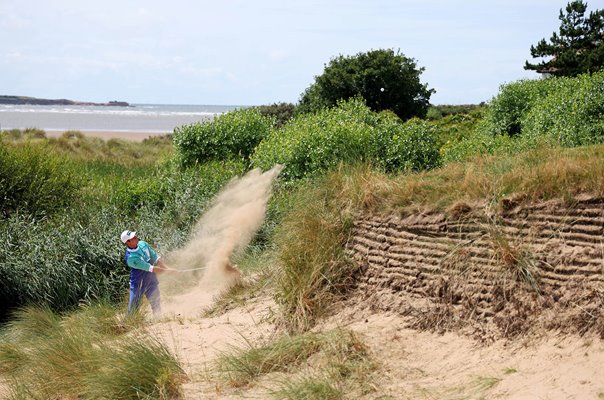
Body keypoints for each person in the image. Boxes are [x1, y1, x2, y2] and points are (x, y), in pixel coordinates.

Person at [120, 230, 174, 316]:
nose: (135, 237)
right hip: (138, 284)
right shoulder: (131, 258)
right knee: (133, 310)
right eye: (132, 238)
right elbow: (151, 268)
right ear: (127, 242)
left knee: (156, 303)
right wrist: (167, 272)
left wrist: (167, 268)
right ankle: (129, 325)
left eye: (134, 236)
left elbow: (155, 257)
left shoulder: (143, 244)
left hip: (151, 280)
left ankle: (158, 320)